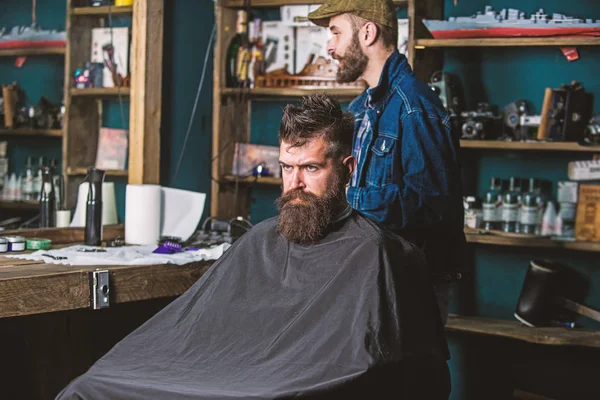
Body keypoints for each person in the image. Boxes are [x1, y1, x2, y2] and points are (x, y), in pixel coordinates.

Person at [56, 95, 450, 400]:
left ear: (347, 168)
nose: (294, 183)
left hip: (277, 385)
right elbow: (193, 329)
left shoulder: (375, 252)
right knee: (91, 386)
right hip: (225, 373)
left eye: (311, 168)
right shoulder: (260, 239)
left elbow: (408, 374)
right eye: (286, 167)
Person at [308, 0, 466, 324]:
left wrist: (345, 201)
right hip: (371, 275)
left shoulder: (415, 107)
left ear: (367, 33)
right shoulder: (362, 107)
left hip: (412, 285)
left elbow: (431, 207)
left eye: (336, 32)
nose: (330, 46)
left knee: (408, 376)